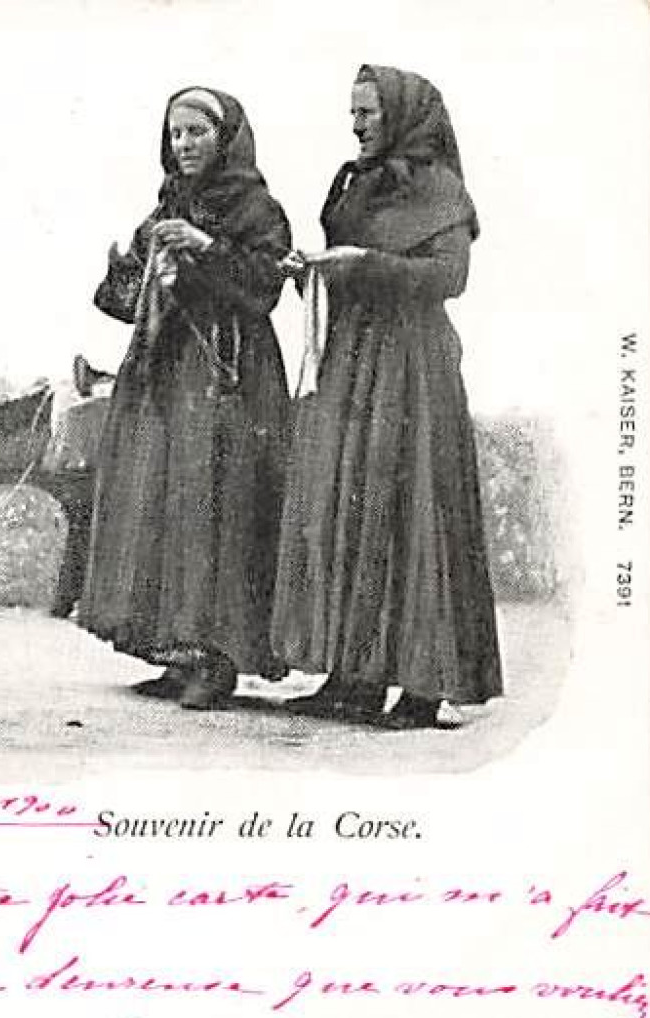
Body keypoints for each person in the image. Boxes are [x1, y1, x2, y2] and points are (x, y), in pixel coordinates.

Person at [272, 65, 502, 729]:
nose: (356, 125)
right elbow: (343, 267)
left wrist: (360, 266)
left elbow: (448, 278)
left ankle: (423, 687)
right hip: (349, 361)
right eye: (352, 113)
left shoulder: (440, 188)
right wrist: (307, 274)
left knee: (408, 508)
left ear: (401, 116)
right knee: (348, 503)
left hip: (411, 370)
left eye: (368, 113)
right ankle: (352, 676)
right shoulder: (351, 183)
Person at [76, 87, 293, 710]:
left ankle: (217, 659)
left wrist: (204, 250)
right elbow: (122, 297)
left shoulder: (256, 207)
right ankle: (172, 649)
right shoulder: (168, 205)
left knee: (215, 506)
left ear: (225, 139)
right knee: (160, 502)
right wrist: (129, 274)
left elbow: (268, 284)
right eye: (176, 134)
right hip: (165, 375)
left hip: (228, 375)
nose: (185, 145)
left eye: (197, 133)